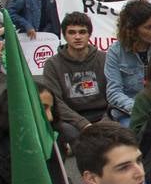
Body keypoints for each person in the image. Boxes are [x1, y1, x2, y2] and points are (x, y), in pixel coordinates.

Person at [42, 11, 109, 143]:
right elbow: (54, 101)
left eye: (82, 32)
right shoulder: (52, 64)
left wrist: (105, 121)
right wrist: (83, 124)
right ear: (65, 36)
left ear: (89, 34)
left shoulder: (104, 58)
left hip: (104, 115)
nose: (77, 37)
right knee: (58, 131)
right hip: (70, 118)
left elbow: (113, 93)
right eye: (72, 32)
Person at [105, 0, 151, 125]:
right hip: (129, 113)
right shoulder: (115, 52)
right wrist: (139, 108)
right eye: (149, 27)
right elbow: (114, 93)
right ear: (132, 29)